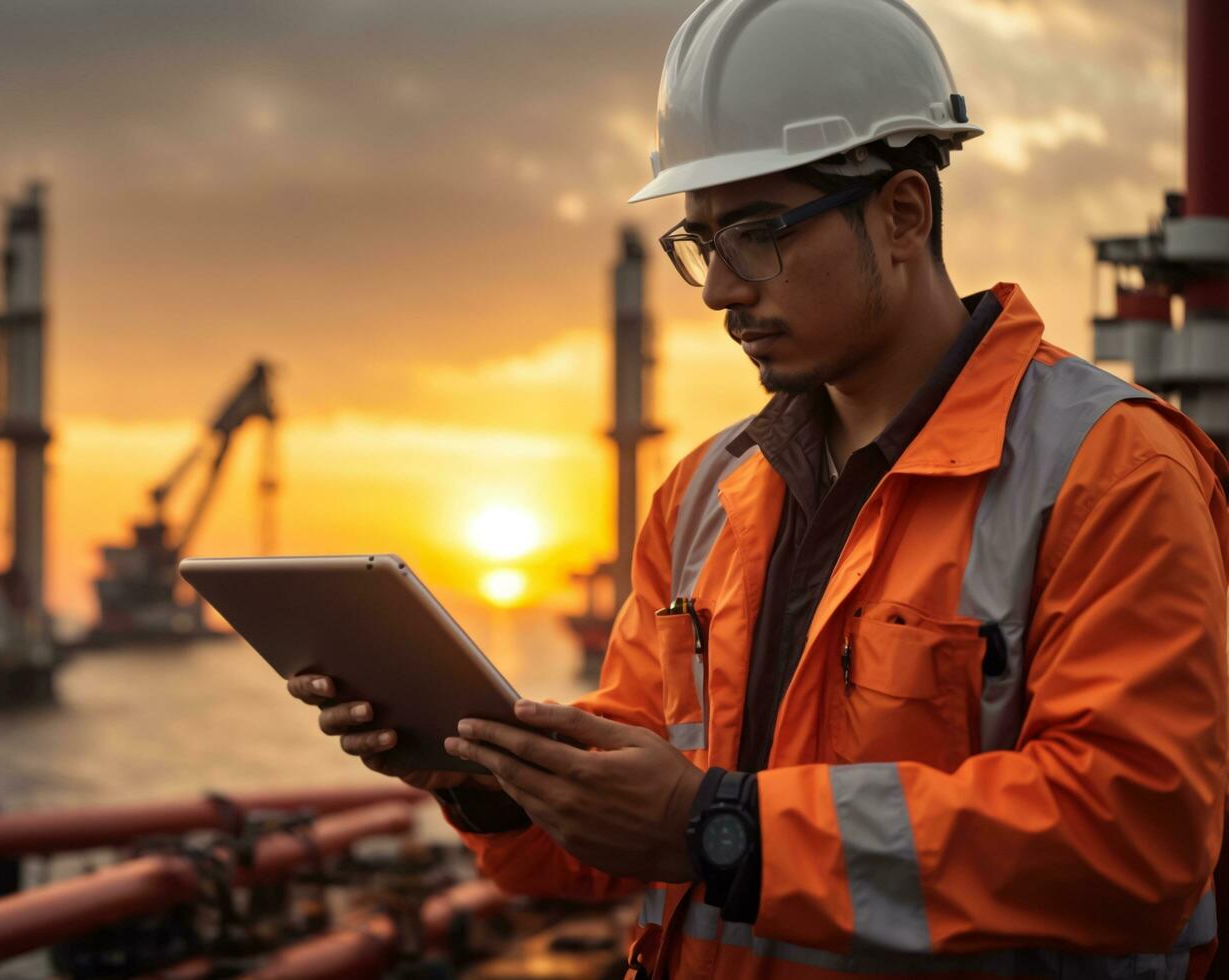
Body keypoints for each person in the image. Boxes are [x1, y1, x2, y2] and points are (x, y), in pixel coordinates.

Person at [285, 0, 1229, 975]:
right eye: (700, 241)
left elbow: (1132, 843)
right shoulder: (701, 494)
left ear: (900, 212)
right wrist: (486, 779)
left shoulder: (1109, 469)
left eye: (757, 232)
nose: (717, 288)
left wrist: (721, 828)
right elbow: (623, 839)